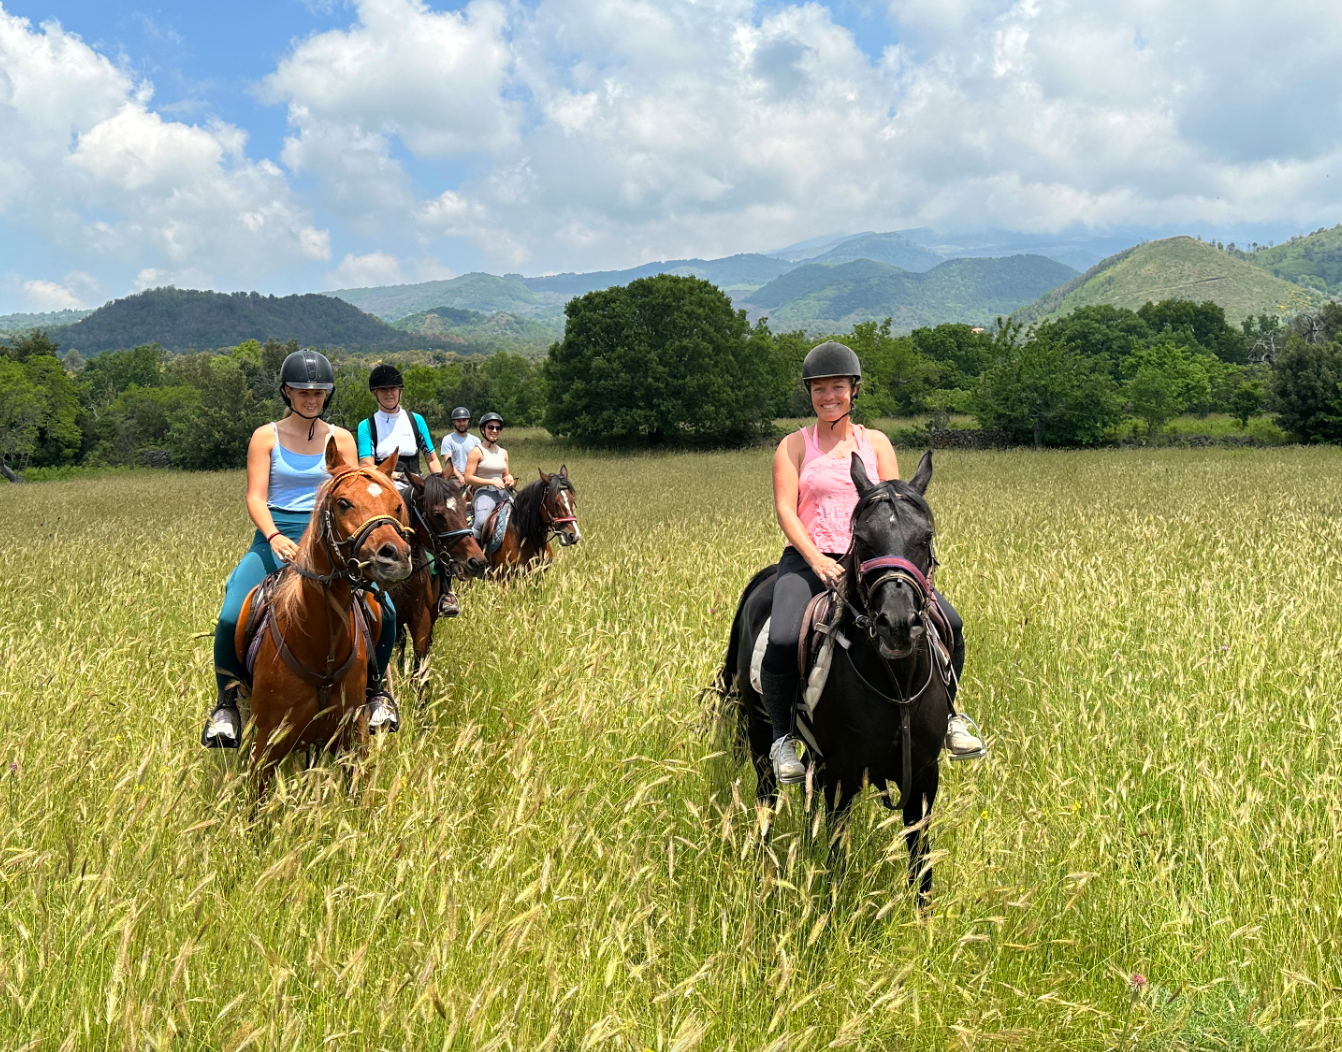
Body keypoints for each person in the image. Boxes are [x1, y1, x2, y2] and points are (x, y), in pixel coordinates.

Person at [760, 340, 986, 784]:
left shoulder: (876, 442)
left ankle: (953, 717)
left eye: (837, 387)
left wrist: (898, 565)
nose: (829, 396)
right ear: (809, 394)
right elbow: (787, 510)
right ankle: (783, 739)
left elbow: (895, 505)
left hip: (874, 564)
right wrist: (817, 560)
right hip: (811, 559)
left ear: (854, 390)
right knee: (785, 638)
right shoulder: (793, 446)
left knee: (950, 624)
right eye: (819, 389)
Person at [201, 349, 401, 749]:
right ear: (286, 392)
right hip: (278, 534)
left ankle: (376, 693)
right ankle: (227, 705)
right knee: (229, 614)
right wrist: (274, 536)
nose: (311, 399)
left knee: (386, 611)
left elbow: (364, 484)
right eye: (302, 392)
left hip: (336, 538)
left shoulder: (341, 437)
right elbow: (255, 497)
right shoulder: (266, 436)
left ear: (327, 395)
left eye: (319, 392)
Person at [357, 364, 459, 617]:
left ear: (400, 391)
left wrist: (440, 483)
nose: (388, 394)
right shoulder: (367, 425)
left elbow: (431, 457)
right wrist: (392, 477)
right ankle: (361, 589)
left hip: (417, 487)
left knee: (443, 526)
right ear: (375, 394)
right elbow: (367, 464)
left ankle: (446, 591)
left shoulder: (416, 420)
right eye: (383, 390)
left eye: (392, 388)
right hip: (383, 487)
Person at [463, 412, 515, 541]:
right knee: (481, 522)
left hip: (503, 492)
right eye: (490, 427)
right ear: (483, 430)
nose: (494, 430)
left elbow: (505, 474)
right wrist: (491, 482)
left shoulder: (503, 452)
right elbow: (468, 478)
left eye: (498, 428)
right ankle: (475, 555)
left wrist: (509, 478)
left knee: (522, 515)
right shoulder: (477, 451)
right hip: (484, 492)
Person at [440, 406, 481, 476]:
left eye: (464, 420)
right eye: (459, 421)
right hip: (454, 476)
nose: (462, 424)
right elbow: (448, 462)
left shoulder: (476, 440)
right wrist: (460, 477)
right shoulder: (448, 439)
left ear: (468, 421)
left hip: (473, 475)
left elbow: (479, 462)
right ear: (454, 422)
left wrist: (472, 478)